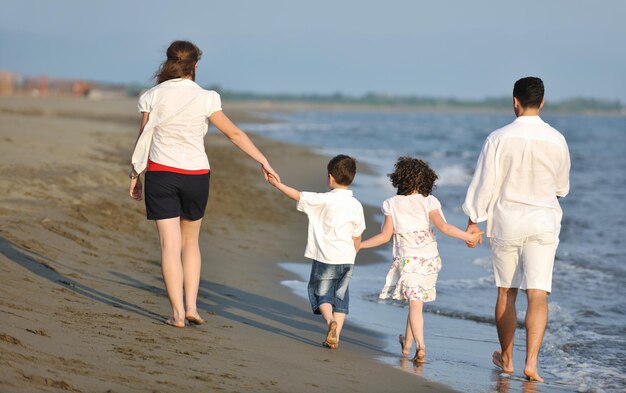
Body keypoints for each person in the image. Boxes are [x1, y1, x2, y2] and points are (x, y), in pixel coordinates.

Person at [128, 40, 279, 328]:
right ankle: (192, 307)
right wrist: (263, 161)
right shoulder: (207, 97)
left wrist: (135, 176)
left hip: (161, 174)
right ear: (195, 65)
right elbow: (234, 134)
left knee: (169, 246)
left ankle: (176, 314)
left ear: (168, 62)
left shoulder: (151, 95)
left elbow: (142, 140)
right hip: (196, 175)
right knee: (191, 242)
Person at [462, 77, 570, 382]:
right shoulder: (557, 139)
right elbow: (562, 187)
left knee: (506, 292)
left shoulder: (498, 138)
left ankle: (507, 358)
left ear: (515, 101)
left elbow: (486, 182)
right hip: (543, 221)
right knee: (538, 294)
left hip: (507, 221)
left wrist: (474, 219)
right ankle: (532, 363)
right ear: (543, 102)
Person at [360, 156, 482, 363]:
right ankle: (407, 346)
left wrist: (360, 245)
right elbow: (444, 227)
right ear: (426, 180)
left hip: (409, 261)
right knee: (416, 304)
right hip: (430, 261)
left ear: (399, 179)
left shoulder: (392, 204)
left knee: (414, 305)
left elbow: (384, 236)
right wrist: (468, 236)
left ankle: (421, 347)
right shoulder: (429, 202)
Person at [268, 155, 365, 349]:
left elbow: (297, 195)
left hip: (325, 257)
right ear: (351, 179)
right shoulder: (356, 205)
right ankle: (335, 336)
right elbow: (357, 235)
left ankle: (330, 323)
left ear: (330, 177)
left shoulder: (323, 200)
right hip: (347, 258)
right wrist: (354, 252)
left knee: (321, 295)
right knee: (341, 299)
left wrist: (277, 184)